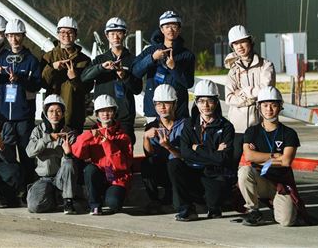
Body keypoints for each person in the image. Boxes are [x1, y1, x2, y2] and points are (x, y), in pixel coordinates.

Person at [0, 18, 41, 186]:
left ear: (23, 36)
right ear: (6, 36)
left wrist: (19, 79)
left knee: (25, 154)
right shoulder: (2, 57)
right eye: (11, 36)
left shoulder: (31, 60)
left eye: (18, 36)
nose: (14, 39)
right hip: (2, 117)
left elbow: (37, 85)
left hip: (22, 117)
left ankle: (28, 186)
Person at [239, 86, 308, 227]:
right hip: (260, 181)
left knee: (287, 221)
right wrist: (274, 156)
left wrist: (261, 158)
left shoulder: (289, 133)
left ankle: (278, 204)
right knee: (244, 171)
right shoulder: (252, 131)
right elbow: (249, 156)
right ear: (259, 107)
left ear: (280, 107)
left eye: (274, 105)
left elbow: (286, 161)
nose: (269, 109)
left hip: (280, 184)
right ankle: (253, 211)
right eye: (265, 105)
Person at [173, 79, 235, 221]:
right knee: (174, 165)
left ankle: (213, 206)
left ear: (217, 102)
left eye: (210, 101)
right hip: (193, 171)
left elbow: (223, 158)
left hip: (214, 174)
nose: (205, 106)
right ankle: (187, 209)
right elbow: (185, 153)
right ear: (195, 102)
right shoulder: (189, 124)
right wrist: (213, 153)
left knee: (214, 203)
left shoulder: (226, 127)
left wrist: (197, 148)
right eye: (201, 101)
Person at [79, 17, 141, 142]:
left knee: (125, 152)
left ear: (124, 34)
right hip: (104, 115)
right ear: (107, 36)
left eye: (119, 33)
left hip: (124, 116)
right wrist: (101, 68)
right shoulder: (99, 60)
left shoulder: (133, 60)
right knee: (103, 153)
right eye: (112, 33)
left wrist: (124, 75)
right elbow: (84, 77)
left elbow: (137, 89)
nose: (116, 37)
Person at [71, 95, 133, 215]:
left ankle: (111, 195)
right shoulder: (92, 135)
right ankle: (94, 205)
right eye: (102, 111)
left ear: (114, 112)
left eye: (109, 110)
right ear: (97, 114)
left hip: (116, 178)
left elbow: (122, 165)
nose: (105, 114)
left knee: (113, 204)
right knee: (89, 169)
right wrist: (87, 136)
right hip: (99, 176)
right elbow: (78, 153)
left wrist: (106, 143)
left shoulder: (123, 137)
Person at [224, 25, 275, 167]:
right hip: (237, 127)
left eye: (242, 42)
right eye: (235, 44)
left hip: (259, 125)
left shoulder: (266, 66)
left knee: (262, 167)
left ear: (250, 42)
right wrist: (253, 96)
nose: (239, 47)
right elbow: (229, 98)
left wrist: (243, 92)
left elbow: (265, 90)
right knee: (231, 165)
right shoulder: (233, 71)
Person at [132, 11, 195, 120]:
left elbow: (188, 83)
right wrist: (151, 58)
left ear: (179, 29)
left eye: (174, 26)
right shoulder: (150, 51)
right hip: (153, 110)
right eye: (166, 26)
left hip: (178, 111)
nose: (170, 30)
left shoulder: (187, 55)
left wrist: (174, 68)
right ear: (161, 29)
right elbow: (135, 71)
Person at [25, 94, 80, 214]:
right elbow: (29, 152)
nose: (55, 114)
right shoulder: (38, 130)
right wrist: (47, 138)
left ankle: (68, 201)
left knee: (68, 162)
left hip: (61, 178)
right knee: (34, 207)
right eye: (51, 111)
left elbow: (76, 160)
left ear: (63, 113)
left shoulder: (69, 133)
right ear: (46, 113)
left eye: (58, 111)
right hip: (44, 178)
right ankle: (53, 198)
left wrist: (68, 153)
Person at [41, 16, 93, 130]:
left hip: (75, 114)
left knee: (74, 147)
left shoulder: (84, 60)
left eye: (70, 32)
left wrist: (75, 79)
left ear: (75, 35)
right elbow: (43, 83)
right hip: (52, 116)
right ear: (58, 34)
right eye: (63, 32)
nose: (66, 35)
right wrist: (52, 68)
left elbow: (88, 88)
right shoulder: (48, 57)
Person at [141, 84, 186, 212]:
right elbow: (149, 155)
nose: (163, 107)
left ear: (175, 104)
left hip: (179, 169)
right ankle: (154, 199)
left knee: (178, 205)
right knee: (146, 164)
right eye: (159, 104)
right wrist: (145, 137)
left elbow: (185, 156)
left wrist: (168, 146)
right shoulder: (151, 126)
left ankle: (175, 196)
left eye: (167, 103)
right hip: (161, 168)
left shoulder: (185, 125)